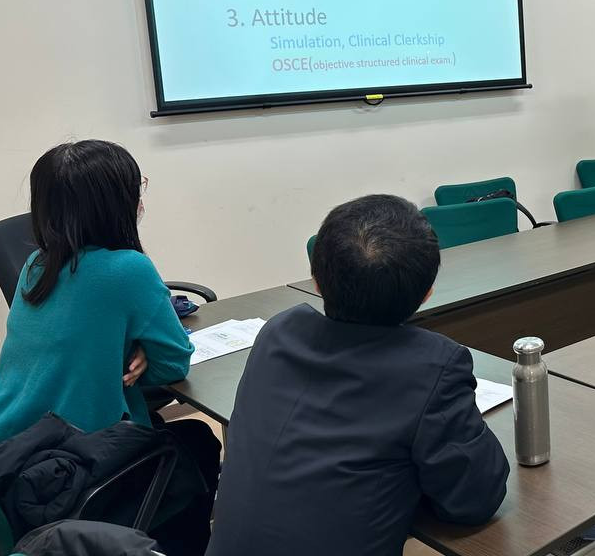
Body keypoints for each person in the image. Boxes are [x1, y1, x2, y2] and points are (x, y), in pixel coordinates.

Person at [207, 194, 509, 556]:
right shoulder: (433, 367)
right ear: (428, 293)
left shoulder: (279, 331)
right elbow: (474, 500)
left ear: (316, 281)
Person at [0, 140, 219, 555]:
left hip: (6, 448)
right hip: (67, 463)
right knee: (200, 442)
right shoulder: (128, 269)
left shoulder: (35, 265)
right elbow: (173, 364)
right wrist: (144, 353)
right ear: (116, 203)